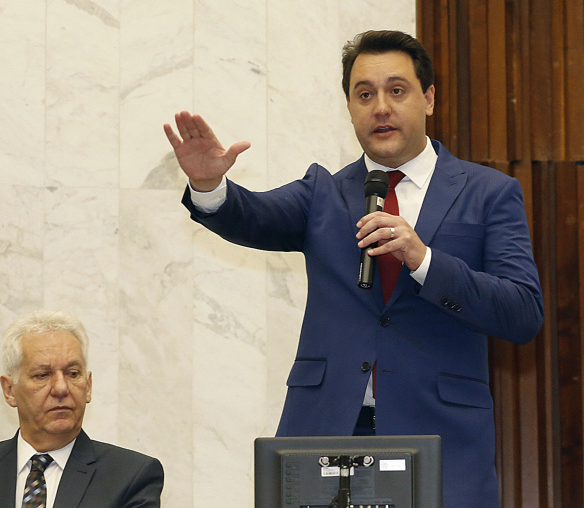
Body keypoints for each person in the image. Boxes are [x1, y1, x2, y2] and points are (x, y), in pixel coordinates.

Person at [163, 29, 543, 508]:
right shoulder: (324, 192)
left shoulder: (489, 193)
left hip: (440, 443)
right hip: (325, 438)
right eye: (364, 94)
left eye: (396, 90)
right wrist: (210, 185)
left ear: (428, 98)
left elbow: (523, 312)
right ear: (348, 107)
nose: (380, 106)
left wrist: (423, 260)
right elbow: (252, 215)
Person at [0, 310, 164, 507]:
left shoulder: (131, 476)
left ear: (89, 386)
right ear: (9, 391)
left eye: (73, 373)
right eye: (42, 375)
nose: (61, 388)